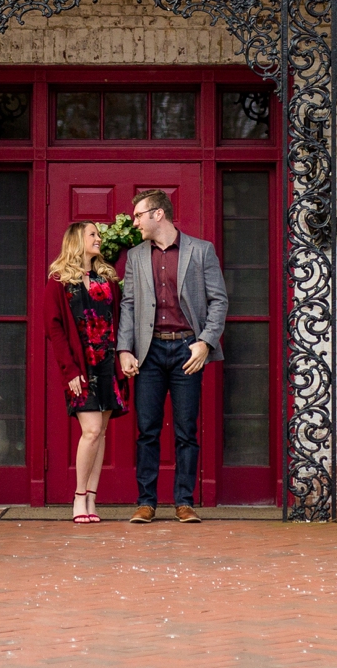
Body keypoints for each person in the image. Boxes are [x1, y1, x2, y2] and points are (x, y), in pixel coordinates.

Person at [114, 188, 227, 523]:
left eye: (139, 215)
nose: (135, 221)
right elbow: (129, 305)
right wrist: (124, 349)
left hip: (186, 350)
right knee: (147, 429)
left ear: (158, 214)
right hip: (148, 352)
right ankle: (146, 502)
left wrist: (205, 342)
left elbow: (218, 300)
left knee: (185, 430)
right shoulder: (135, 256)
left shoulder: (201, 251)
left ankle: (184, 501)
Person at [46, 218, 127, 524]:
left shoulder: (107, 278)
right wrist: (69, 370)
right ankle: (79, 497)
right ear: (76, 241)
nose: (98, 239)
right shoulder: (58, 282)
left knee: (101, 431)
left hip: (107, 362)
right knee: (91, 431)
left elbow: (118, 319)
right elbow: (54, 329)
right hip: (81, 366)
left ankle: (93, 497)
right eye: (92, 234)